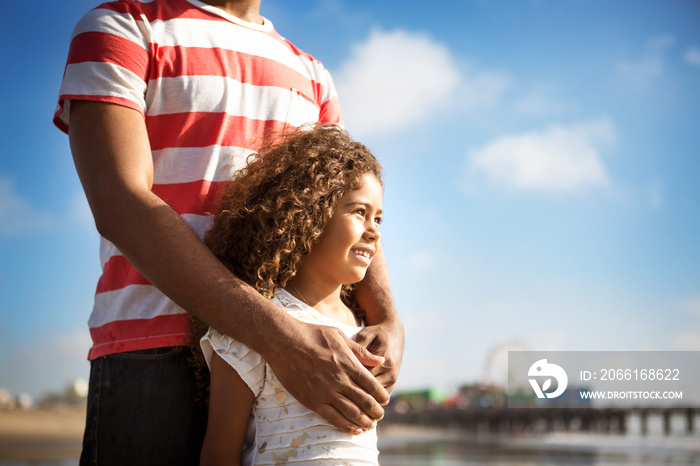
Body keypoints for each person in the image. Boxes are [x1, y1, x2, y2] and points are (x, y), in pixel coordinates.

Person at [53, 0, 403, 464]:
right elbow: (119, 201)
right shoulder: (122, 26)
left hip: (295, 352)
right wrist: (282, 339)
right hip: (156, 348)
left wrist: (387, 317)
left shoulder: (311, 73)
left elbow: (343, 195)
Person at [198, 125, 387, 465]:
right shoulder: (253, 326)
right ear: (312, 213)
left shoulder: (364, 326)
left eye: (379, 218)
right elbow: (219, 453)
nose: (374, 230)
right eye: (360, 212)